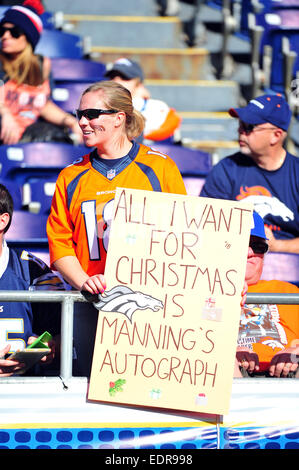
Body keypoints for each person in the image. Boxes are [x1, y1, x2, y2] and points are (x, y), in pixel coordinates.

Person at [46, 80, 186, 375]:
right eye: (79, 114)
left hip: (149, 305)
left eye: (92, 113)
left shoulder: (160, 169)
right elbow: (60, 245)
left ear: (119, 118)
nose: (83, 122)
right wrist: (85, 281)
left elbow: (183, 239)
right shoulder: (71, 176)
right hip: (89, 304)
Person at [200, 94, 299, 254]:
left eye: (249, 127)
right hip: (235, 258)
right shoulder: (226, 169)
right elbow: (206, 228)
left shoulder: (296, 173)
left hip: (288, 267)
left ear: (276, 135)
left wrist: (278, 246)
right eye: (240, 125)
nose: (240, 132)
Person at [0, 183, 65, 377]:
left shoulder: (33, 271)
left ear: (2, 221)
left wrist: (49, 348)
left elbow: (62, 335)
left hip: (26, 394)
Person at [0, 0, 82, 145]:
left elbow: (43, 105)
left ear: (29, 37)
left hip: (28, 133)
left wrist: (70, 122)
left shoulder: (42, 64)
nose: (5, 36)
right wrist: (5, 114)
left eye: (14, 32)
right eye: (2, 31)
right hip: (4, 130)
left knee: (56, 136)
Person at [234, 211, 299, 378]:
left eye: (258, 246)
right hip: (232, 375)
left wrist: (295, 352)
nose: (249, 252)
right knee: (223, 364)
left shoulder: (288, 292)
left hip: (289, 373)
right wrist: (226, 352)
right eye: (240, 244)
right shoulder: (205, 290)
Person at [104, 57, 181, 143]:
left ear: (138, 82)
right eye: (112, 77)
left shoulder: (156, 106)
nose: (117, 81)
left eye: (124, 77)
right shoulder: (99, 104)